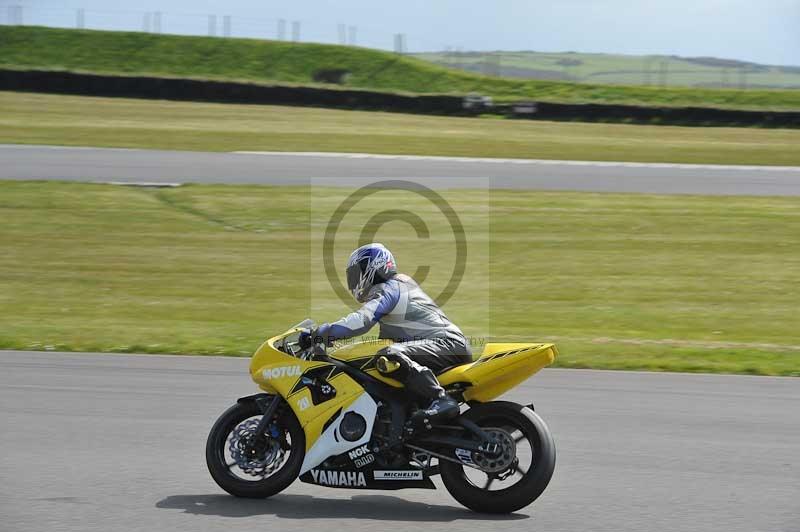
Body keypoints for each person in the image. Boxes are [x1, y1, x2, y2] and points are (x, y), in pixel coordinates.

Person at [300, 243, 472, 427]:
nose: (354, 280)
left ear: (375, 267)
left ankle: (440, 399)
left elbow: (362, 320)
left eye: (358, 273)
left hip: (446, 344)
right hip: (440, 345)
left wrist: (323, 333)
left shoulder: (390, 287)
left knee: (389, 355)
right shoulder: (397, 289)